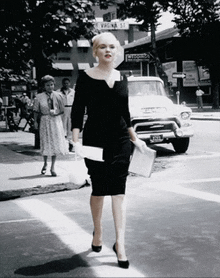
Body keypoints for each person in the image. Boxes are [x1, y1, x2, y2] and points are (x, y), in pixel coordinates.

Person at [71, 32, 147, 269]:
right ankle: (98, 233)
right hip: (94, 141)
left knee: (119, 192)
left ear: (117, 51)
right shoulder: (85, 77)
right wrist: (75, 141)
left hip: (120, 141)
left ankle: (120, 245)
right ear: (95, 51)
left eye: (112, 47)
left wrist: (136, 138)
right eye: (102, 47)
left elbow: (126, 113)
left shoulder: (123, 78)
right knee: (99, 189)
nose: (107, 51)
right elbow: (77, 110)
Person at [33, 75, 68, 176]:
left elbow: (62, 110)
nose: (50, 87)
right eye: (47, 85)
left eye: (52, 85)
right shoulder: (39, 97)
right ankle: (45, 164)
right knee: (46, 143)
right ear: (44, 86)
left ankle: (53, 167)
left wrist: (56, 113)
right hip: (44, 121)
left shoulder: (58, 95)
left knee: (55, 143)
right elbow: (35, 110)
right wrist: (35, 122)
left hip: (55, 121)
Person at [58, 78, 75, 151]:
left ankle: (70, 144)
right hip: (63, 109)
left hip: (71, 108)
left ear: (69, 83)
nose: (66, 85)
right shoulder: (58, 92)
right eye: (64, 83)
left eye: (67, 83)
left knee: (70, 126)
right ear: (62, 84)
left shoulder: (73, 92)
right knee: (62, 126)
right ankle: (63, 144)